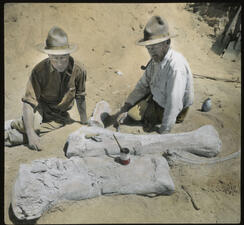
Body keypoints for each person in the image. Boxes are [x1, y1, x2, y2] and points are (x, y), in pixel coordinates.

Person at [5, 26, 88, 150]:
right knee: (33, 129)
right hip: (40, 108)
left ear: (69, 53)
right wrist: (31, 133)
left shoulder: (79, 70)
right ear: (48, 55)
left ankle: (14, 131)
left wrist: (84, 122)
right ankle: (13, 124)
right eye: (55, 57)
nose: (59, 63)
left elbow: (80, 98)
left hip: (59, 116)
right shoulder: (39, 71)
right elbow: (28, 103)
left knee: (34, 132)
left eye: (63, 57)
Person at [112, 15, 194, 134]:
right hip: (158, 98)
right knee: (131, 111)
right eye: (148, 48)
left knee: (134, 116)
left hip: (173, 109)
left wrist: (164, 130)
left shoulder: (175, 67)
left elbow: (174, 102)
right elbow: (142, 85)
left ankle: (155, 117)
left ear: (167, 43)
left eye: (154, 47)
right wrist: (126, 107)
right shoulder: (155, 61)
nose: (151, 52)